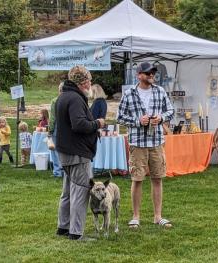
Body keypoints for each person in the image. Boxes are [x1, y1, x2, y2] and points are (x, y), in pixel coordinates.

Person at [117, 61, 174, 228]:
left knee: (158, 178)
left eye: (153, 73)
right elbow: (119, 117)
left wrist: (161, 118)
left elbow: (170, 111)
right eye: (148, 73)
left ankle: (158, 216)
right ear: (139, 75)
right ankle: (136, 216)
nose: (151, 75)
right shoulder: (129, 93)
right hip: (138, 143)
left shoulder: (160, 91)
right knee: (137, 179)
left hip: (156, 142)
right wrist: (137, 121)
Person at [55, 65, 105, 240]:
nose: (91, 83)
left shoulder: (63, 97)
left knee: (68, 191)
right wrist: (98, 123)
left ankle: (63, 226)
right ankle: (76, 232)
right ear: (83, 82)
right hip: (77, 153)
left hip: (65, 152)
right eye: (89, 80)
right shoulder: (76, 99)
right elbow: (79, 124)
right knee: (80, 192)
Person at [48, 82, 64, 178]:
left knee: (55, 150)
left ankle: (57, 172)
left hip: (57, 127)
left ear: (59, 90)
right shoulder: (71, 100)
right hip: (68, 128)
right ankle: (65, 171)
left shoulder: (55, 101)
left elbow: (53, 117)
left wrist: (50, 130)